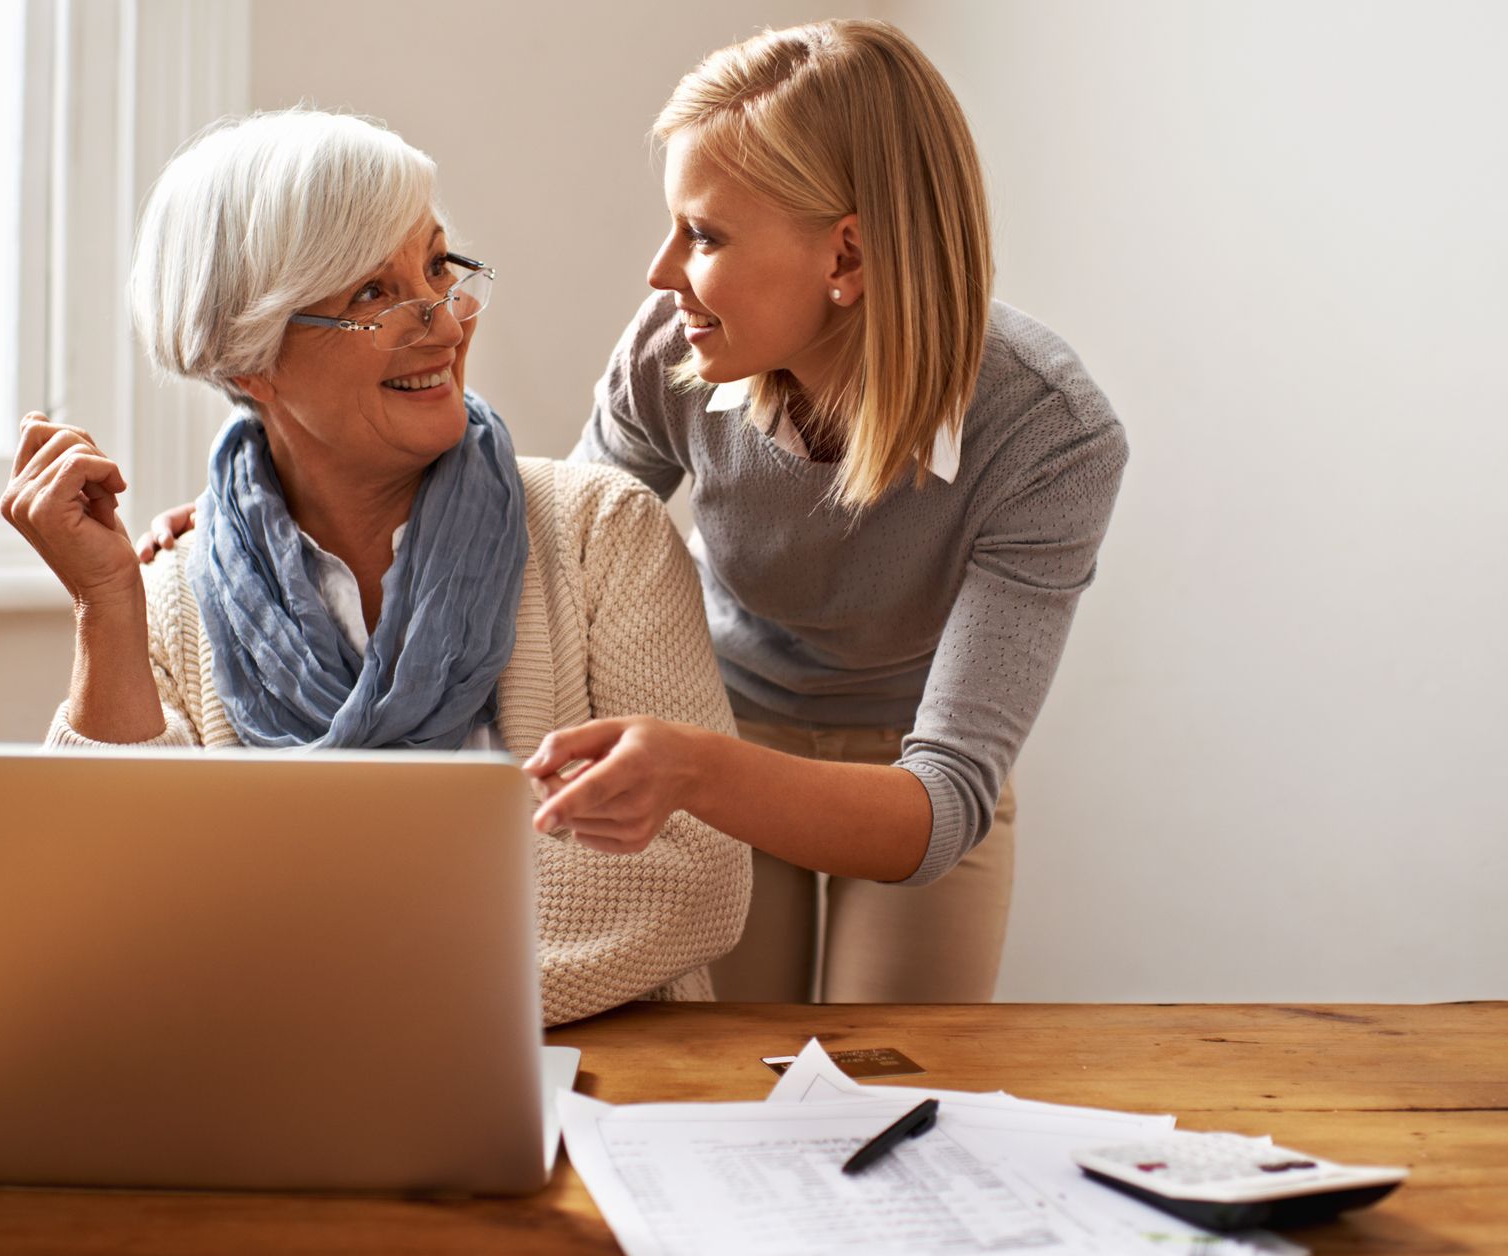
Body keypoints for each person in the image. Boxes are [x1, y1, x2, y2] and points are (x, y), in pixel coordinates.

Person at [141, 20, 1128, 1006]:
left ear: (849, 255)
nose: (660, 273)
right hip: (726, 715)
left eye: (704, 235)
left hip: (912, 773)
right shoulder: (679, 345)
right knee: (734, 1074)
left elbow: (945, 803)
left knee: (907, 1078)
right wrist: (270, 508)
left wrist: (700, 772)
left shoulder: (1051, 436)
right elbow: (542, 538)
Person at [1, 109, 749, 1027]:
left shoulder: (604, 535)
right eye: (369, 293)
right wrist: (104, 602)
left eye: (437, 267)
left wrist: (299, 960)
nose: (441, 319)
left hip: (598, 1100)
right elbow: (110, 902)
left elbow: (692, 871)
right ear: (251, 356)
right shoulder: (165, 598)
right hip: (277, 1107)